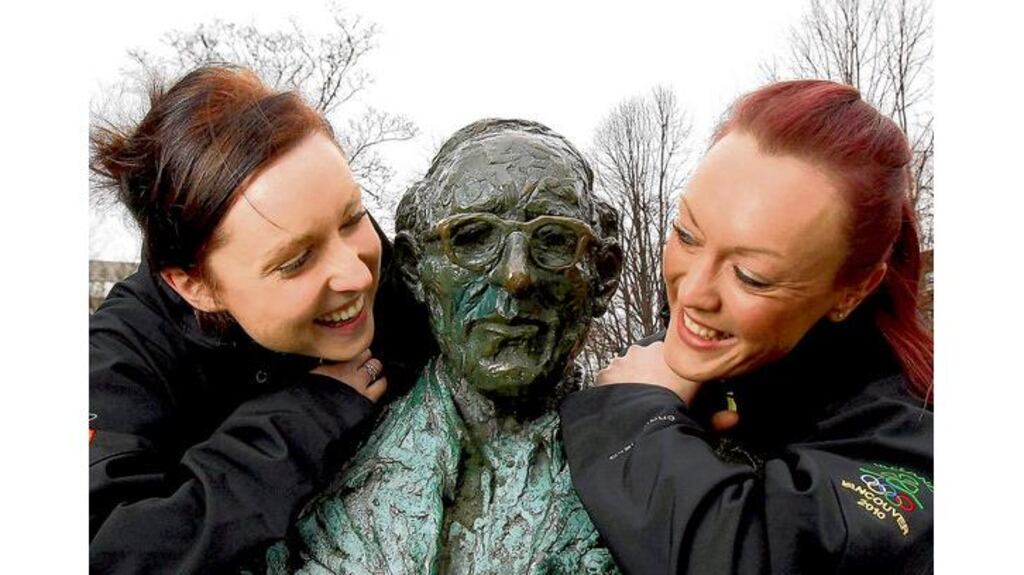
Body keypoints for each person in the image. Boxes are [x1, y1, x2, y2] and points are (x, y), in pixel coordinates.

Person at [559, 80, 934, 574]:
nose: (694, 292)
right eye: (686, 235)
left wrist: (635, 414)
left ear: (853, 290)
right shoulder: (685, 369)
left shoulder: (914, 440)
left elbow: (754, 557)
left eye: (750, 276)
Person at [88, 64, 430, 574]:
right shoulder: (120, 357)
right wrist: (302, 419)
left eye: (352, 217)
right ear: (195, 285)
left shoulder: (387, 271)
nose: (357, 275)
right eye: (296, 261)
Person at [265, 119, 625, 574]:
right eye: (473, 238)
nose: (516, 276)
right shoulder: (314, 464)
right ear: (414, 268)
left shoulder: (653, 469)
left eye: (554, 240)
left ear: (603, 276)